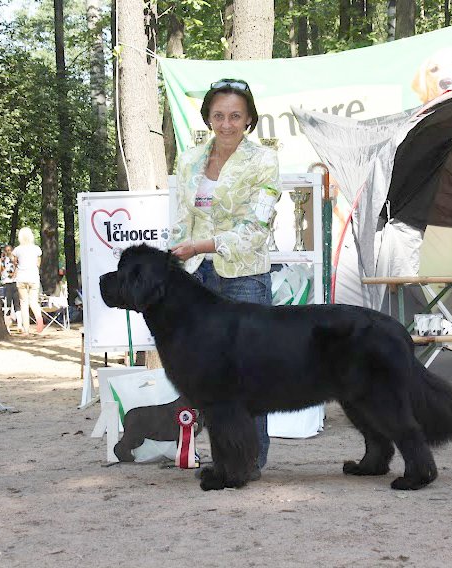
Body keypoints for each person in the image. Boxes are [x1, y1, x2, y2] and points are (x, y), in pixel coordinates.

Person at [170, 78, 281, 480]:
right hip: (194, 280)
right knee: (207, 375)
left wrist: (202, 245)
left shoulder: (263, 162)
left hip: (243, 277)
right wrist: (174, 258)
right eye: (219, 115)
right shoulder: (188, 160)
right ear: (208, 118)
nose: (227, 123)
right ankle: (222, 457)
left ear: (249, 118)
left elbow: (258, 226)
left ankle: (250, 460)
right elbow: (180, 221)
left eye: (235, 115)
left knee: (250, 375)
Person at [13, 227, 44, 335]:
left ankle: (26, 329)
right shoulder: (36, 249)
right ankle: (39, 321)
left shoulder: (17, 250)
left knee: (24, 303)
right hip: (33, 277)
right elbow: (38, 264)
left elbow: (15, 263)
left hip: (21, 278)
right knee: (34, 302)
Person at [0, 244, 23, 333]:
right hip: (6, 283)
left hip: (15, 282)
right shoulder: (2, 260)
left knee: (17, 304)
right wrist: (0, 262)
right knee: (7, 304)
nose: (8, 252)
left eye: (9, 250)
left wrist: (14, 274)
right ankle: (7, 325)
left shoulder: (15, 260)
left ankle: (20, 325)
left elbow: (18, 268)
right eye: (6, 250)